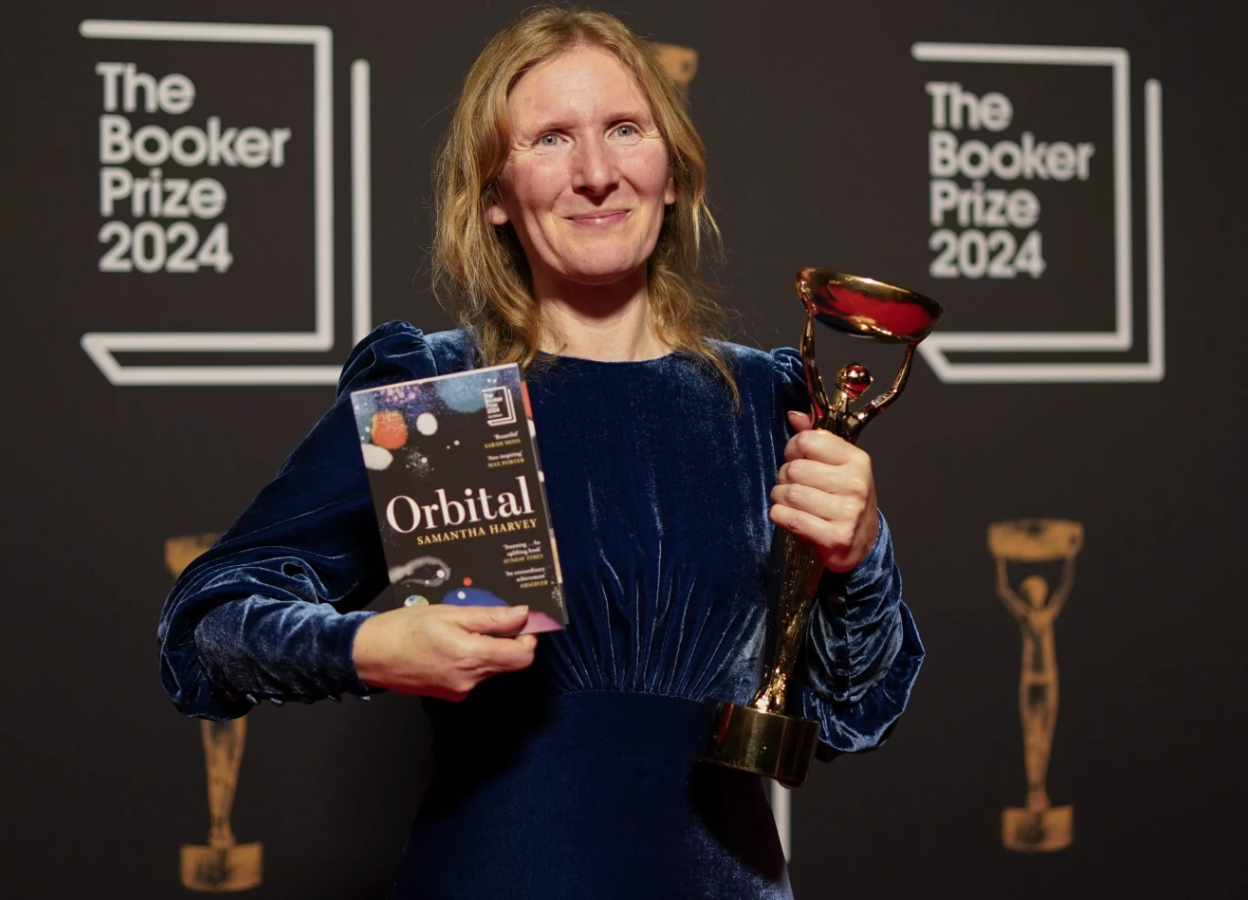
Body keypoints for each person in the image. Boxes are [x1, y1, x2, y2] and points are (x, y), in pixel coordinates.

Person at [158, 7, 923, 898]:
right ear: (492, 194)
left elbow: (853, 714)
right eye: (551, 139)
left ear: (670, 169)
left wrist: (859, 559)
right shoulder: (442, 393)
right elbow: (204, 629)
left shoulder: (770, 400)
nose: (596, 173)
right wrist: (367, 646)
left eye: (624, 130)